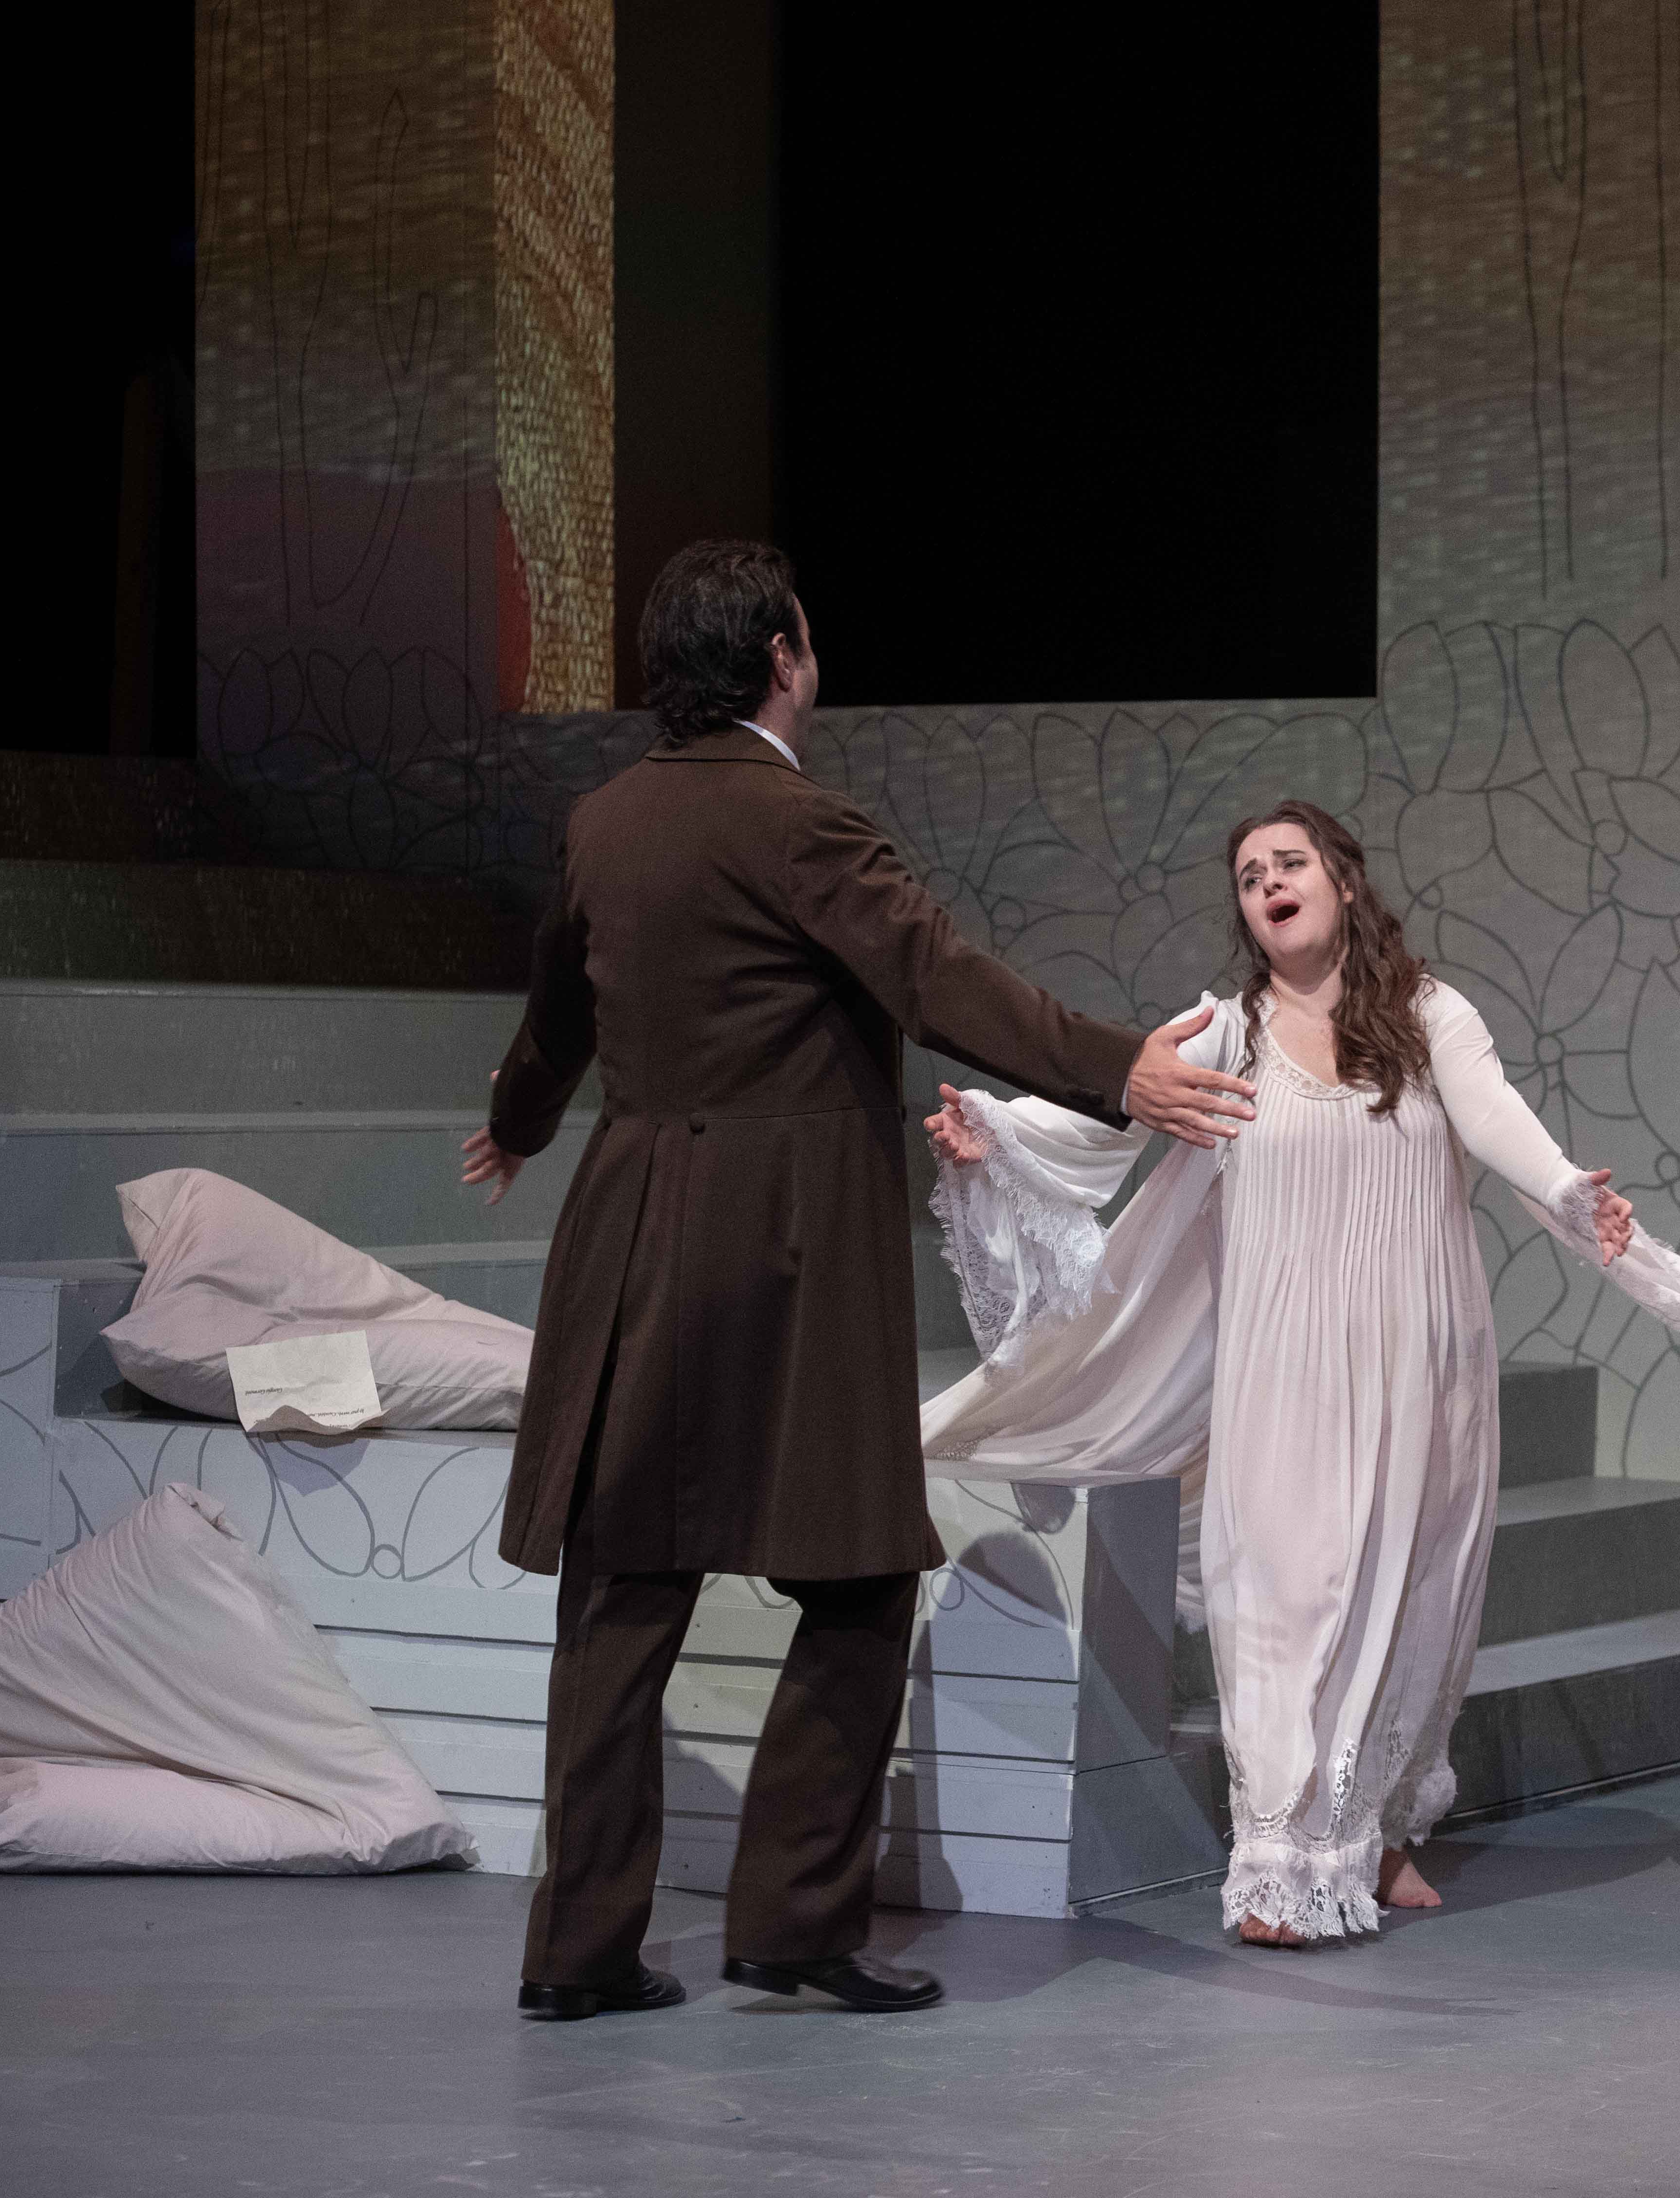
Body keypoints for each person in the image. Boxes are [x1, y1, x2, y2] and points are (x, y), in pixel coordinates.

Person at [459, 540, 1257, 2014]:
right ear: (782, 659)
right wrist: (1117, 1071)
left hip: (632, 1228)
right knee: (861, 1571)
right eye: (809, 640)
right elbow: (938, 976)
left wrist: (515, 1125)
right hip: (784, 1245)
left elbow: (558, 1012)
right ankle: (795, 1924)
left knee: (622, 1593)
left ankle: (578, 1955)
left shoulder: (604, 822)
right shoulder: (802, 823)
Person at [921, 800, 1680, 1945]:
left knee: (1410, 1604)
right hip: (1281, 1375)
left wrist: (1566, 1190)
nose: (1270, 882)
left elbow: (1496, 1119)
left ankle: (1379, 1832)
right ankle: (1280, 1870)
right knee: (1281, 1600)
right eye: (1250, 874)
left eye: (1290, 862)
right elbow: (1115, 1111)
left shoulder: (1428, 1015)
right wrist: (1001, 1134)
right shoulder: (1225, 1035)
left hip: (1421, 1365)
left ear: (1346, 883)